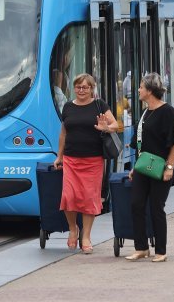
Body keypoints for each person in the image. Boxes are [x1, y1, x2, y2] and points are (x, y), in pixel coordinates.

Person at [53, 73, 118, 255]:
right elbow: (63, 134)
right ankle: (73, 229)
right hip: (71, 160)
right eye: (78, 87)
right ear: (74, 88)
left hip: (93, 160)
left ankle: (86, 237)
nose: (81, 90)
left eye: (85, 87)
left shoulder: (99, 105)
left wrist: (106, 127)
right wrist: (59, 156)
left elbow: (115, 124)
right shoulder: (67, 107)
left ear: (91, 89)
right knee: (69, 197)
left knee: (89, 199)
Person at [126, 73, 174, 263]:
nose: (139, 90)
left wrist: (169, 167)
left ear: (150, 90)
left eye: (141, 87)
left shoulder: (168, 112)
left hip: (161, 167)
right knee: (136, 204)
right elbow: (142, 143)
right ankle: (141, 248)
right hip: (144, 167)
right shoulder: (145, 112)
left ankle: (161, 250)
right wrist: (136, 166)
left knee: (156, 207)